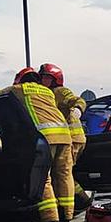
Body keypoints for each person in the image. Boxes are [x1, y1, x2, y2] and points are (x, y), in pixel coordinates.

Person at [0, 67, 73, 222]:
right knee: (64, 175)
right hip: (65, 136)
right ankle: (66, 215)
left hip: (46, 137)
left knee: (43, 176)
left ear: (19, 80)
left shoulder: (19, 89)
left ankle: (49, 218)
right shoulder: (48, 92)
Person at [38, 63, 92, 207]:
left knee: (63, 173)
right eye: (42, 77)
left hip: (73, 139)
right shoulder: (44, 93)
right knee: (61, 172)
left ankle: (83, 200)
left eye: (47, 78)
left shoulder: (60, 92)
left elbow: (78, 100)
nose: (43, 80)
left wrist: (77, 110)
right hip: (65, 138)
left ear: (56, 79)